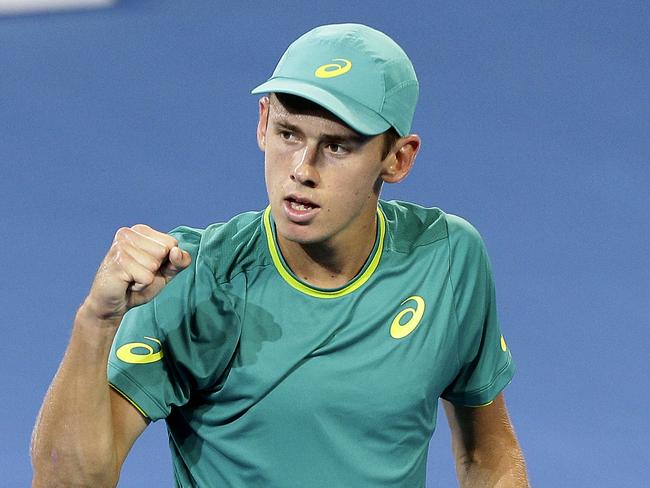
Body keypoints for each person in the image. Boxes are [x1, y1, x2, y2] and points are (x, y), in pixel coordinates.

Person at [31, 23, 530, 487]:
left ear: (397, 159)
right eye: (289, 134)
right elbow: (65, 480)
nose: (302, 170)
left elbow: (487, 453)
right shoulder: (195, 278)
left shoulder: (447, 259)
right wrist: (96, 321)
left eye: (337, 147)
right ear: (263, 122)